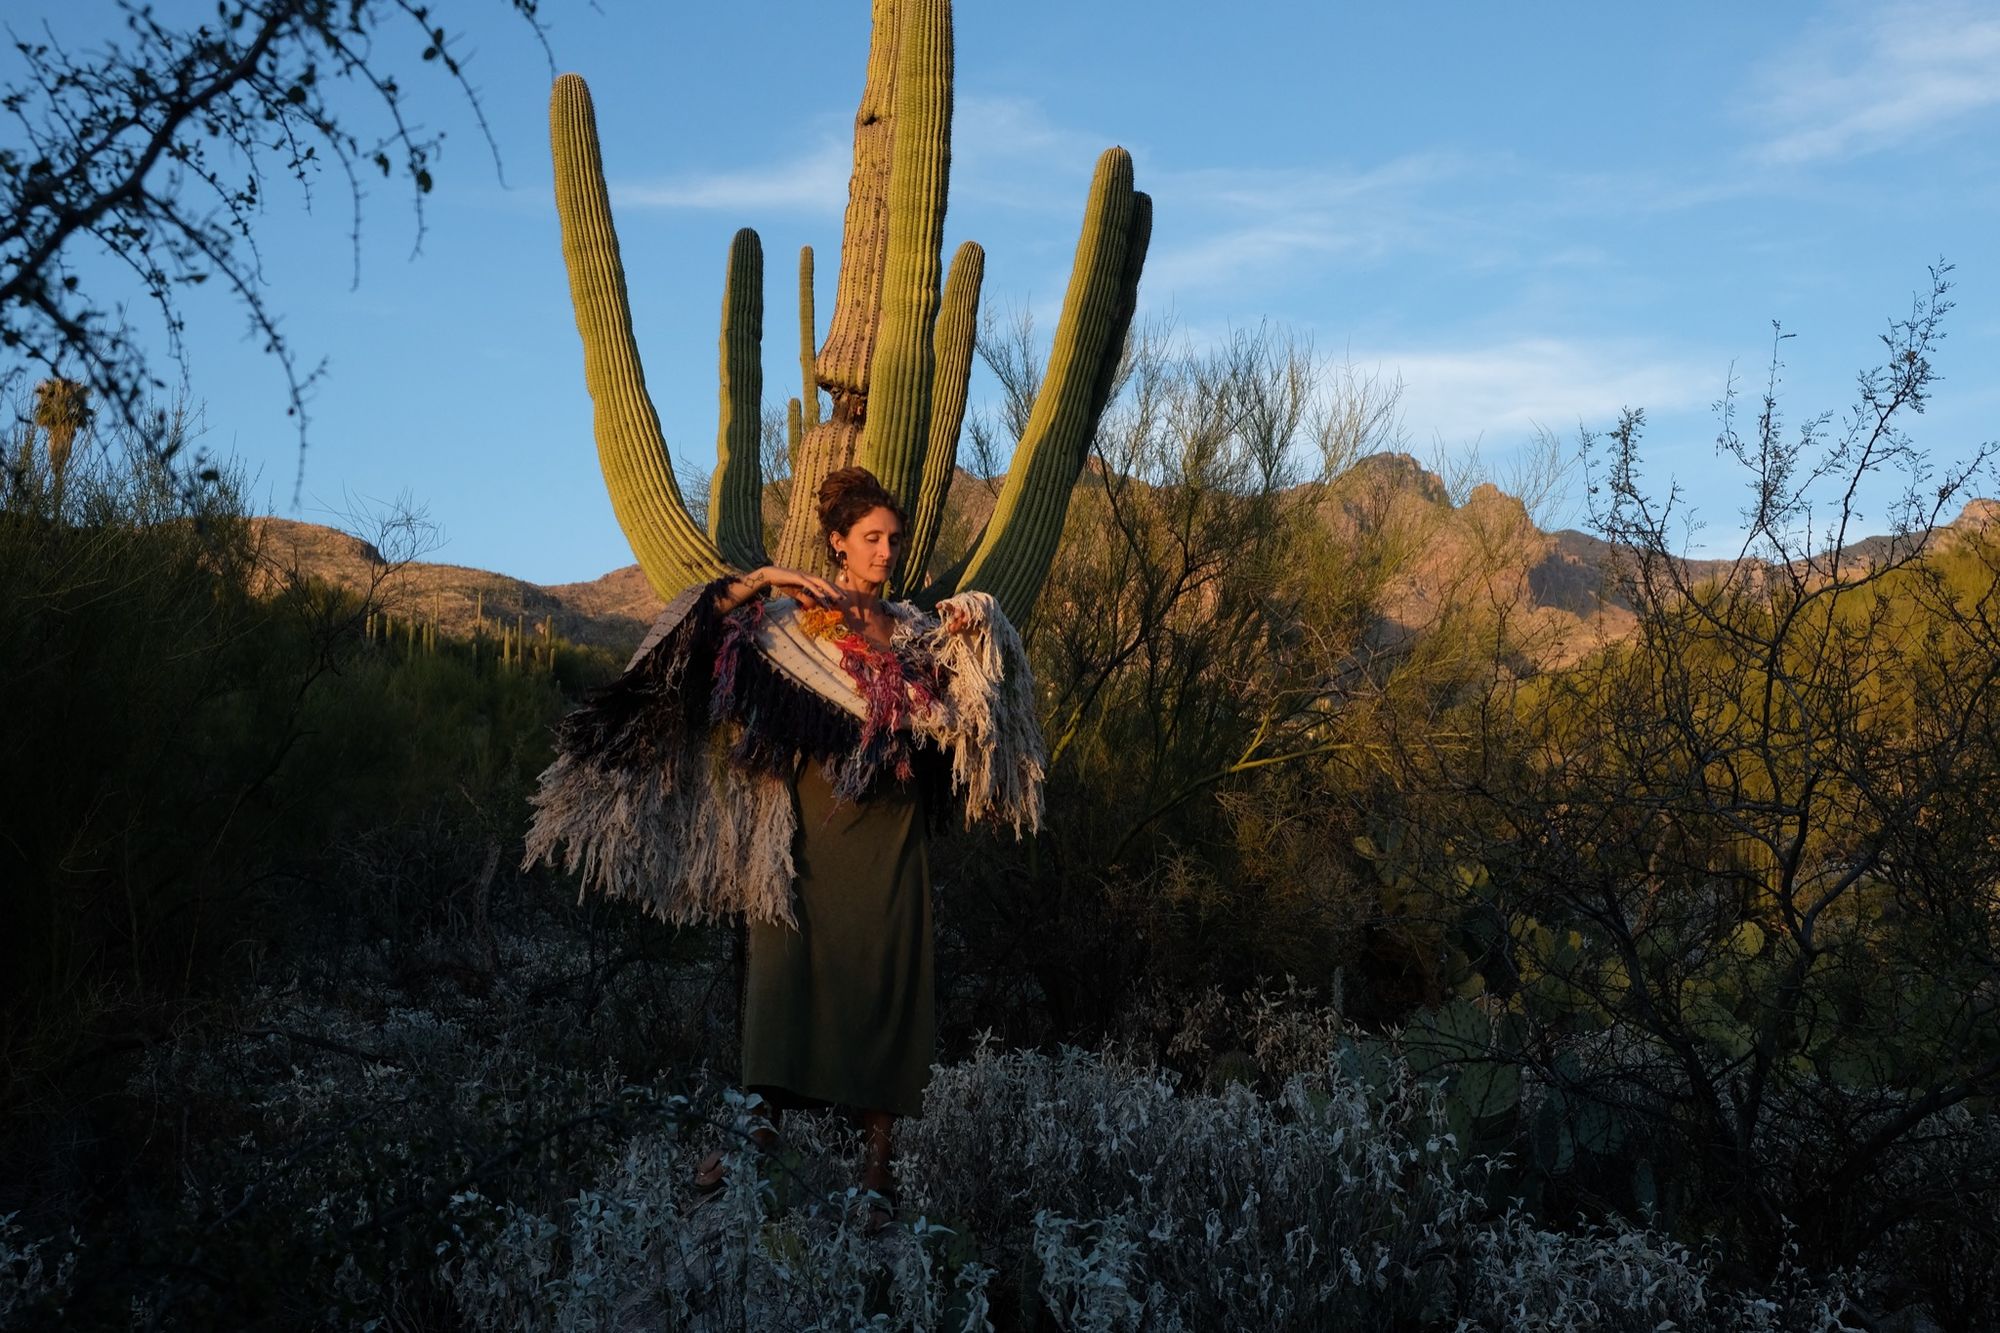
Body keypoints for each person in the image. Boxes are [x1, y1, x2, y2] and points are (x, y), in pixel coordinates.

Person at [523, 465, 1046, 1230]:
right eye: (871, 538)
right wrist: (762, 576)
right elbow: (686, 639)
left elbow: (969, 707)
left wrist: (979, 619)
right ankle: (754, 1137)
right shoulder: (789, 624)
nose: (885, 552)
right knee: (780, 978)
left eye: (893, 539)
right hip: (804, 831)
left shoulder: (908, 627)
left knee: (886, 986)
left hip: (891, 834)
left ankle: (876, 1170)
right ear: (837, 542)